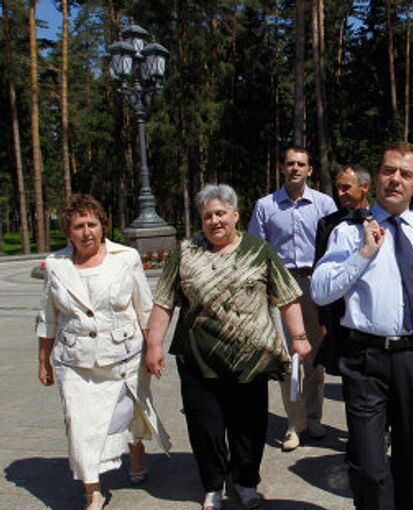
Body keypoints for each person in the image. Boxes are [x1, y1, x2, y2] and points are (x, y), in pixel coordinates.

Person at [312, 141, 413, 510]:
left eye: (405, 174)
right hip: (364, 359)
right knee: (368, 466)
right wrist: (364, 253)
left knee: (412, 463)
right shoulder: (348, 234)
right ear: (377, 177)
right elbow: (319, 290)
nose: (395, 179)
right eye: (388, 170)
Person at [145, 184, 310, 510]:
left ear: (235, 215)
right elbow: (164, 302)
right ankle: (213, 485)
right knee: (205, 426)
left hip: (251, 358)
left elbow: (287, 297)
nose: (215, 221)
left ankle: (246, 481)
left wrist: (300, 337)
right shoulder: (186, 252)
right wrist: (154, 345)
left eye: (221, 213)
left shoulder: (258, 250)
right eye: (208, 216)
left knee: (248, 426)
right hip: (198, 357)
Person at [36, 194, 170, 510]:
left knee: (129, 412)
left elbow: (144, 307)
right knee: (79, 424)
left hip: (124, 355)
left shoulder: (126, 258)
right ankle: (92, 490)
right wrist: (44, 361)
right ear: (68, 232)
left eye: (92, 224)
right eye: (78, 226)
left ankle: (135, 447)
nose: (87, 232)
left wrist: (154, 348)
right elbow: (47, 317)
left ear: (102, 226)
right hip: (75, 361)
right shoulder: (55, 266)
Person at [248, 146, 337, 451]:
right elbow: (257, 251)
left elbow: (334, 246)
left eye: (301, 164)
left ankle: (314, 417)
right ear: (282, 168)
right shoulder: (265, 206)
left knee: (314, 356)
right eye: (290, 164)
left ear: (310, 170)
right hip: (281, 285)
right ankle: (292, 424)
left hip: (315, 284)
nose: (295, 169)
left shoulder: (324, 204)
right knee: (288, 358)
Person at [313, 164, 372, 375]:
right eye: (338, 188)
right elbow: (319, 270)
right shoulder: (328, 225)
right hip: (339, 313)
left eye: (346, 188)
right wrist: (322, 319)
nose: (340, 193)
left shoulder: (382, 220)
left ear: (364, 187)